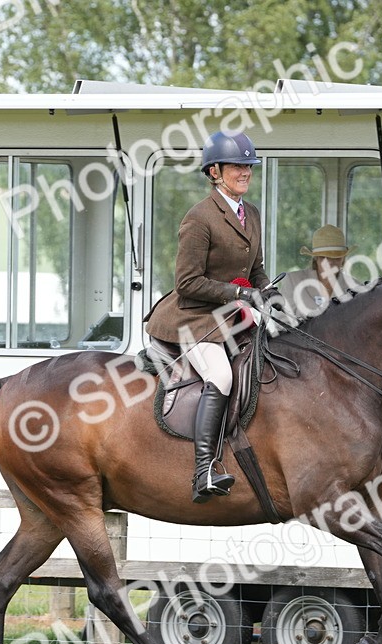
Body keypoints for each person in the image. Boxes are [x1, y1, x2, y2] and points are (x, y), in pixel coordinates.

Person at [144, 131, 282, 503]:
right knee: (221, 375)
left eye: (249, 166)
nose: (245, 172)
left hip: (232, 317)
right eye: (237, 166)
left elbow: (256, 270)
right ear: (215, 172)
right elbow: (187, 283)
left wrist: (268, 291)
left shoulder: (251, 213)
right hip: (194, 317)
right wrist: (240, 294)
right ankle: (204, 470)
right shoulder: (199, 217)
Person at [282, 224, 353, 320]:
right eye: (325, 257)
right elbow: (280, 322)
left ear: (343, 258)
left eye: (336, 257)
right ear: (316, 258)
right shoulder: (293, 281)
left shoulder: (355, 287)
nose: (330, 262)